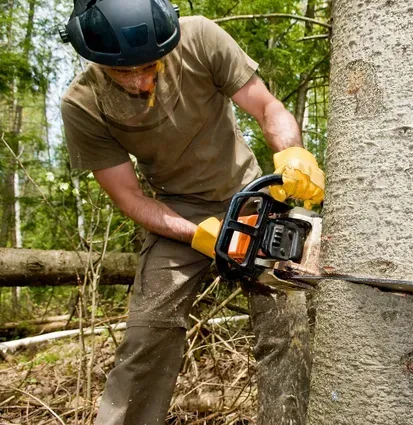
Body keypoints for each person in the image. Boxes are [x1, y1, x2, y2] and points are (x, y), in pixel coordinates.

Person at [59, 0, 324, 424]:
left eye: (149, 65)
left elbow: (266, 107)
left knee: (285, 327)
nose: (141, 81)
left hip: (249, 195)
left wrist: (291, 151)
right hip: (174, 211)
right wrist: (195, 233)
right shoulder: (83, 105)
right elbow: (128, 197)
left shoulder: (199, 37)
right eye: (123, 72)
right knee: (149, 330)